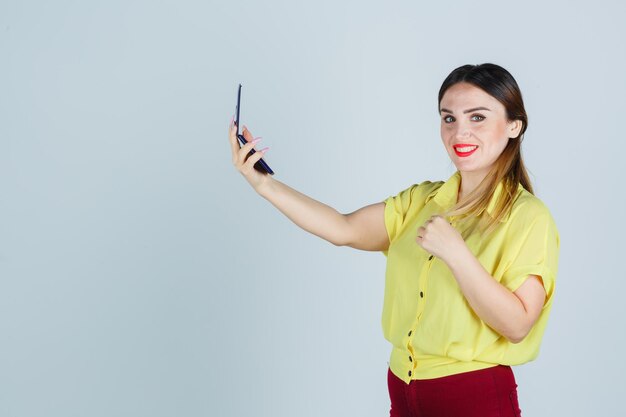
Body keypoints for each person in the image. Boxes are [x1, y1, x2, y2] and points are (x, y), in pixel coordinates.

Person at [227, 63, 560, 417]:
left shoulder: (528, 217)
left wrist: (456, 254)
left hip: (471, 395)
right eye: (449, 118)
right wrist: (264, 184)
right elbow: (343, 228)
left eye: (477, 117)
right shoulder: (422, 201)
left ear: (514, 125)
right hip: (403, 389)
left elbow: (518, 325)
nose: (460, 132)